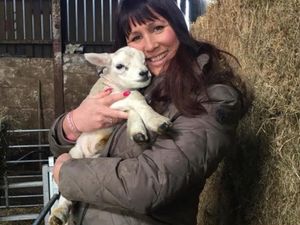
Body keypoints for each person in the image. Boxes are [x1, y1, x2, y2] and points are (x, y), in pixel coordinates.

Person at [48, 0, 252, 224]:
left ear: (178, 26)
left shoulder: (212, 98)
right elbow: (63, 144)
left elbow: (152, 183)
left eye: (157, 28)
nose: (149, 46)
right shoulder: (136, 83)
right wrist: (72, 123)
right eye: (136, 37)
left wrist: (66, 174)